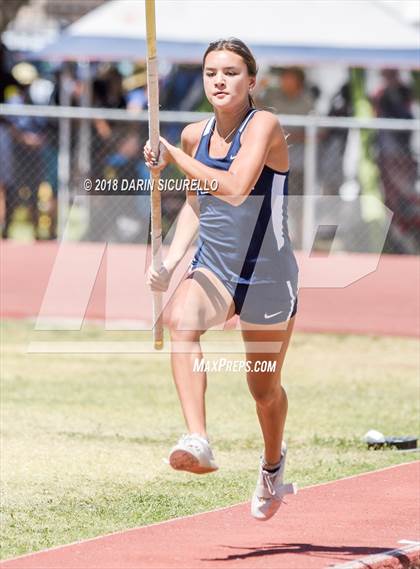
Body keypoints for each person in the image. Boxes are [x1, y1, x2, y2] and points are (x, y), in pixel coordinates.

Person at [144, 38, 298, 521]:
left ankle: (273, 463)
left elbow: (232, 189)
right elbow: (197, 205)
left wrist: (171, 155)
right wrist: (170, 261)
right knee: (180, 322)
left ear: (252, 81)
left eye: (231, 72)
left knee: (263, 390)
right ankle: (198, 438)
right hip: (215, 267)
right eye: (212, 72)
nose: (220, 80)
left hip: (268, 277)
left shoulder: (265, 126)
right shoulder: (194, 135)